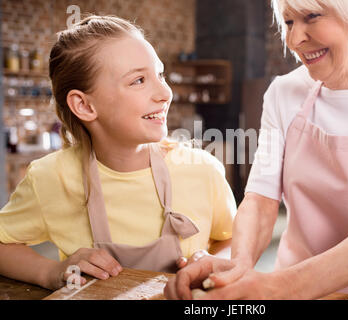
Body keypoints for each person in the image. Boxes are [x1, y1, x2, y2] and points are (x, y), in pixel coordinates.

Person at [165, 0, 348, 300]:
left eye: (312, 17)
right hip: (288, 286)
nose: (293, 39)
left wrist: (277, 288)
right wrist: (237, 270)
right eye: (288, 23)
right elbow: (261, 200)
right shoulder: (283, 92)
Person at [0, 15, 236, 291]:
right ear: (85, 106)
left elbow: (234, 239)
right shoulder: (51, 178)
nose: (164, 92)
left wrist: (213, 262)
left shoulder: (202, 169)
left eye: (160, 75)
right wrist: (51, 271)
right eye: (138, 80)